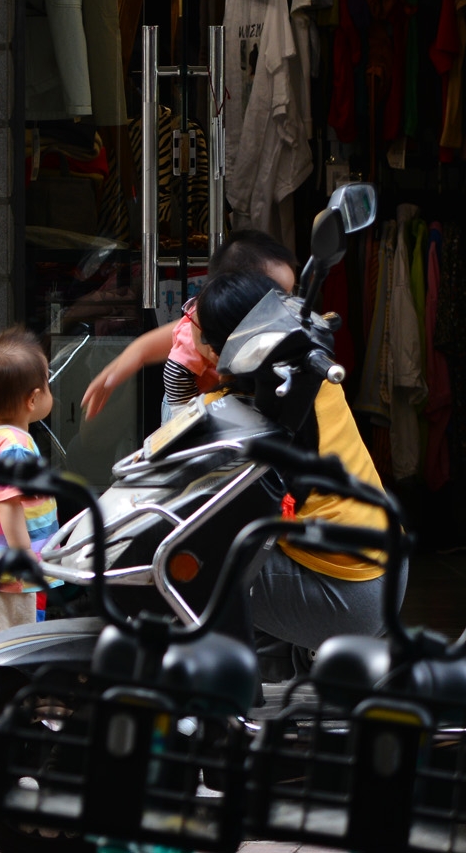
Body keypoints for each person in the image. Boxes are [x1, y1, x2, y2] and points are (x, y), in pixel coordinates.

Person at [189, 267, 391, 667]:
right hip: (386, 570)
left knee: (187, 567)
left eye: (196, 327)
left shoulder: (231, 412)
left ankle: (224, 691)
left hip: (347, 597)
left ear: (217, 349)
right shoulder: (313, 378)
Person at [81, 228, 296, 423]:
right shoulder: (202, 324)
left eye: (288, 295)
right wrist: (184, 419)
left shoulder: (264, 319)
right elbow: (175, 370)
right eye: (275, 296)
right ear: (234, 291)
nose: (283, 305)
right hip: (185, 401)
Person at [0, 326, 62, 646]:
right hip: (10, 580)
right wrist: (24, 556)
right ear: (33, 399)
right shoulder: (17, 446)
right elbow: (10, 508)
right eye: (48, 384)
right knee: (16, 651)